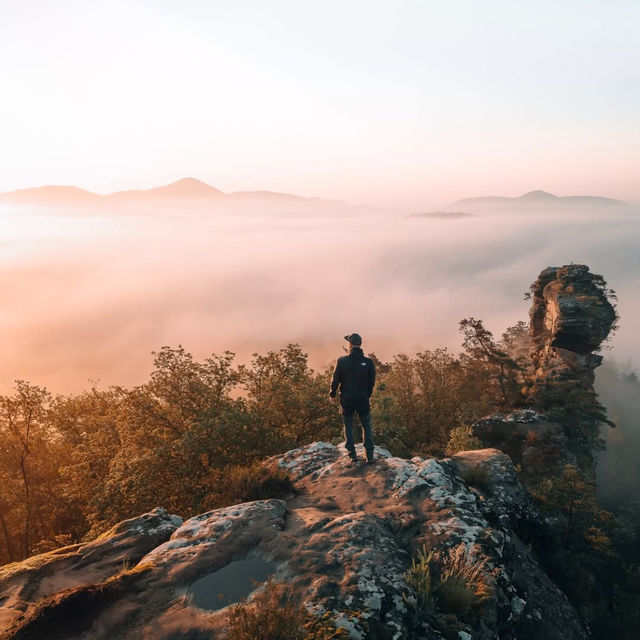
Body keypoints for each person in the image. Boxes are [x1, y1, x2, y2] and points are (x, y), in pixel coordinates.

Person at [329, 333, 376, 464]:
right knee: (366, 425)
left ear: (349, 345)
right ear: (360, 344)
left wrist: (332, 394)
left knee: (348, 425)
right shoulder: (368, 362)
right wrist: (367, 395)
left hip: (347, 399)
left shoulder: (342, 361)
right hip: (363, 398)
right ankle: (370, 456)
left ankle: (352, 455)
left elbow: (335, 379)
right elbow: (371, 382)